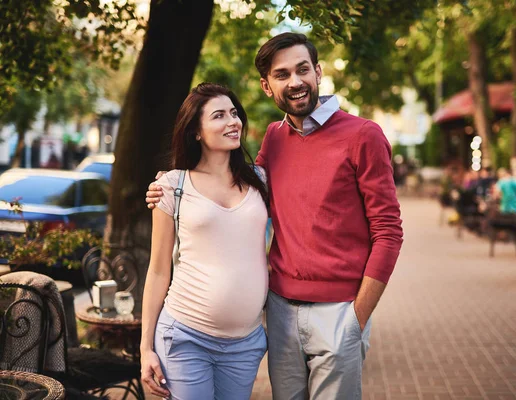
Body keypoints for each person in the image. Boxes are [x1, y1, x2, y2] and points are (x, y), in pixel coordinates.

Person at [147, 32, 403, 399]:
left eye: (303, 70)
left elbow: (389, 232)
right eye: (282, 75)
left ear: (318, 72)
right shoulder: (274, 138)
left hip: (339, 311)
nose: (295, 81)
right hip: (279, 311)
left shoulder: (364, 135)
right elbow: (241, 187)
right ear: (268, 87)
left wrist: (357, 317)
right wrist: (168, 184)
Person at [140, 83, 270, 400]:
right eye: (219, 116)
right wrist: (145, 348)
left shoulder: (260, 180)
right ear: (196, 131)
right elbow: (158, 270)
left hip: (245, 343)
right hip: (185, 336)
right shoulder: (172, 185)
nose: (232, 122)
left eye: (235, 113)